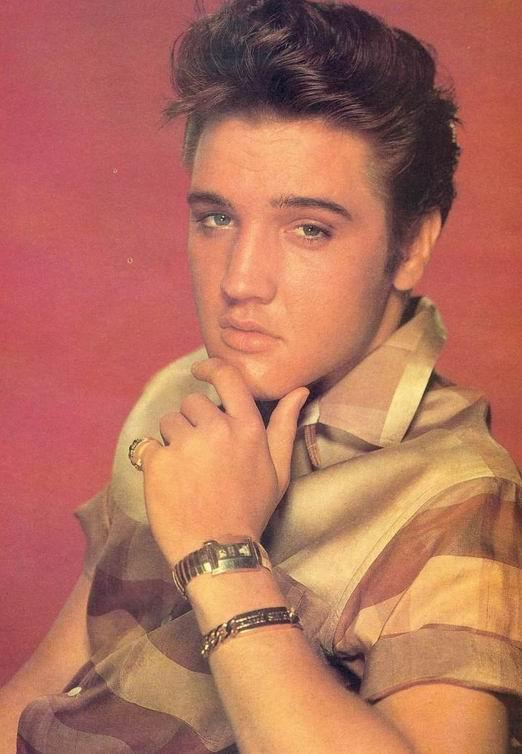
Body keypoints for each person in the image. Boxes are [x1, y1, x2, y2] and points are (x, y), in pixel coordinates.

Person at [1, 0, 520, 752]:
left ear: (410, 247)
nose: (240, 281)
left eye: (309, 229)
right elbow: (43, 690)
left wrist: (221, 554)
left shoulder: (454, 493)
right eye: (216, 218)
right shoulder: (180, 396)